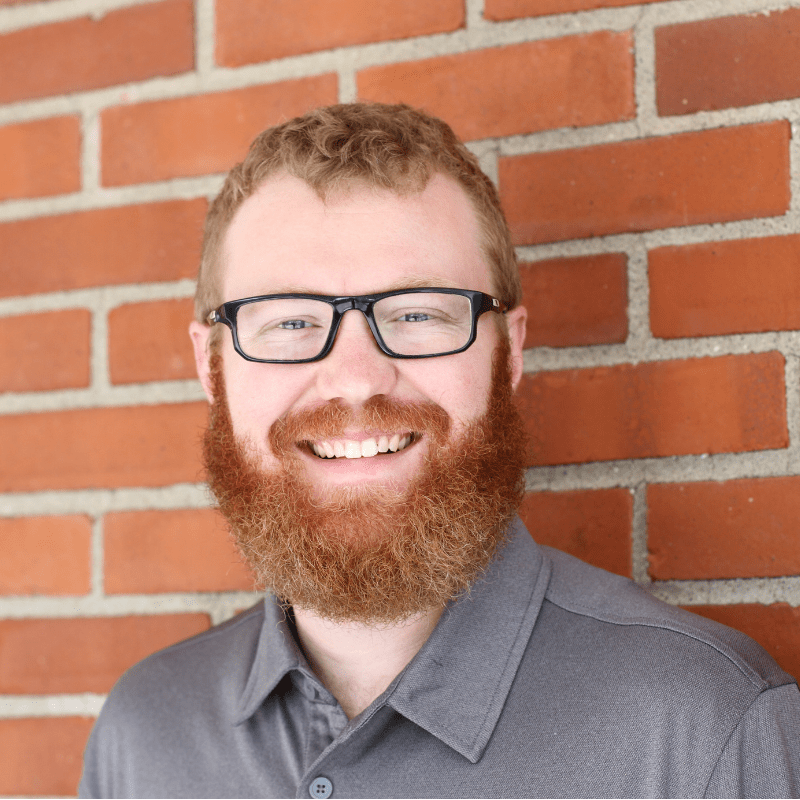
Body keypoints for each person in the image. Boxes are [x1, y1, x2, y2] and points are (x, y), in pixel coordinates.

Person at [79, 103, 800, 799]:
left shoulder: (706, 728)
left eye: (417, 313)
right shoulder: (143, 735)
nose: (355, 378)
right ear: (210, 368)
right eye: (290, 322)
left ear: (509, 351)